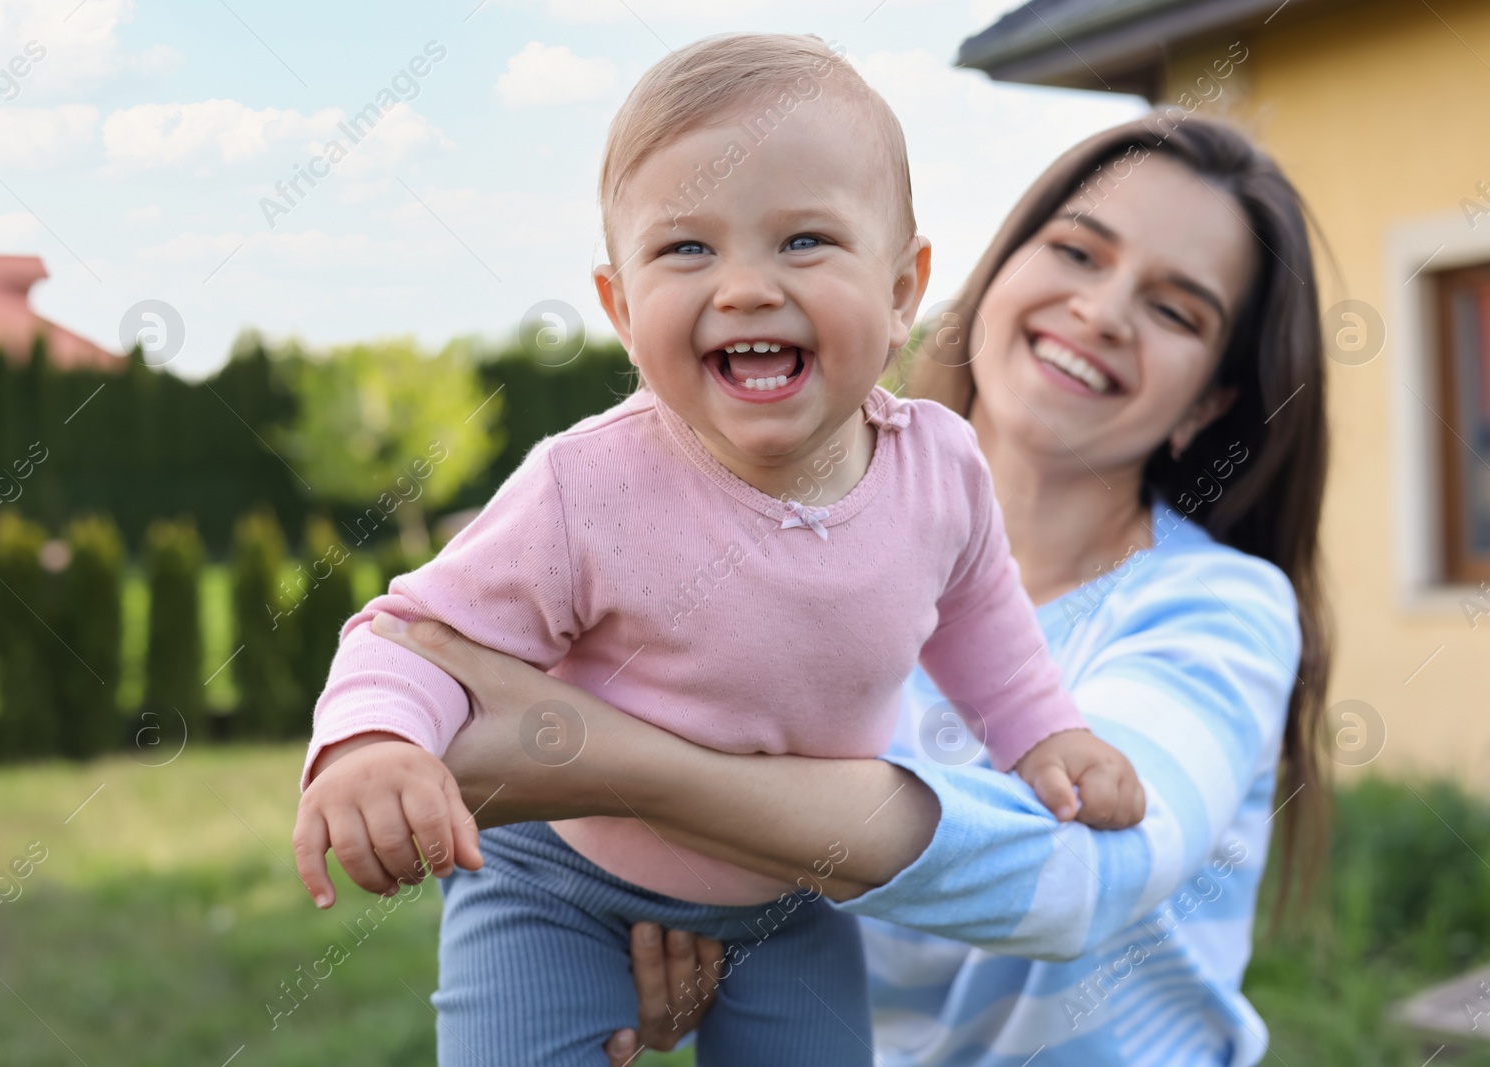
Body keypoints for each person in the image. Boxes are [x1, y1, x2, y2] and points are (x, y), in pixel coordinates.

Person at [369, 111, 1331, 1066]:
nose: (1105, 311)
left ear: (1207, 400)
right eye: (1079, 253)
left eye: (1175, 310)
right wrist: (683, 922)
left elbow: (1077, 872)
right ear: (987, 278)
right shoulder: (773, 530)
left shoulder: (1218, 606)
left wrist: (611, 766)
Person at [291, 32, 1145, 1067]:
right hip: (558, 880)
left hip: (792, 885)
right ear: (618, 307)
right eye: (686, 249)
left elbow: (978, 621)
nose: (743, 287)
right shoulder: (585, 482)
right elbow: (416, 635)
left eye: (802, 242)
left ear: (901, 289)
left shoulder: (941, 468)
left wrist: (1044, 735)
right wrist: (376, 741)